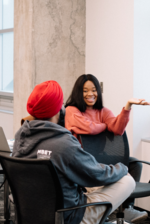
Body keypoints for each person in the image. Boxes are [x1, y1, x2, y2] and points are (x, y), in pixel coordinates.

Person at [13, 80, 136, 224]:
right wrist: (122, 168)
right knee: (127, 181)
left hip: (30, 213)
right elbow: (97, 174)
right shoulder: (64, 143)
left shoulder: (21, 135)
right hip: (69, 217)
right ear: (59, 110)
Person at [64, 74, 150, 223]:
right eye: (85, 91)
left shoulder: (102, 111)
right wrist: (105, 126)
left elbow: (117, 128)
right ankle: (110, 210)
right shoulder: (72, 110)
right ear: (78, 92)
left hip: (100, 157)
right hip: (83, 159)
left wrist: (128, 106)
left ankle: (126, 207)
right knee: (117, 172)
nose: (90, 94)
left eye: (94, 90)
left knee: (134, 164)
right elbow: (88, 127)